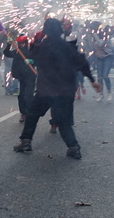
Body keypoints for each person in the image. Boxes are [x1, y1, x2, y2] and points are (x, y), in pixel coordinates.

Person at [14, 17, 101, 158]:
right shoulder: (68, 47)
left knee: (32, 114)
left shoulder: (42, 47)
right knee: (63, 121)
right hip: (65, 91)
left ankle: (26, 141)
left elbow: (33, 55)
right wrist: (92, 80)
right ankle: (74, 147)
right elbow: (82, 63)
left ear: (46, 31)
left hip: (46, 90)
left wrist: (36, 41)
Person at [6, 35, 36, 122]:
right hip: (22, 77)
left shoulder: (31, 50)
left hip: (30, 77)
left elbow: (40, 59)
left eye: (21, 43)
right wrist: (8, 44)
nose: (20, 44)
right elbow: (7, 53)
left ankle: (30, 114)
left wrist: (32, 61)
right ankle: (24, 113)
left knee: (28, 96)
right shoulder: (17, 51)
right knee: (21, 96)